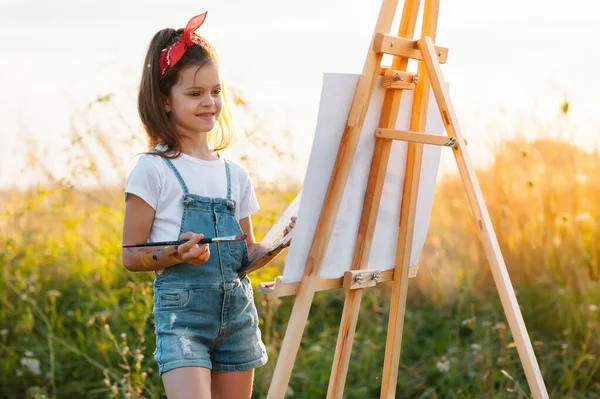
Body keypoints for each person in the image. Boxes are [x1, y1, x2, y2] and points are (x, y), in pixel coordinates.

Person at [121, 12, 294, 399]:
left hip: (238, 320)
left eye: (215, 91)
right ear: (165, 101)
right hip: (184, 319)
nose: (209, 102)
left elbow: (244, 254)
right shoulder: (153, 170)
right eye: (195, 93)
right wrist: (177, 253)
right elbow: (131, 255)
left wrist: (281, 242)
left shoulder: (236, 175)